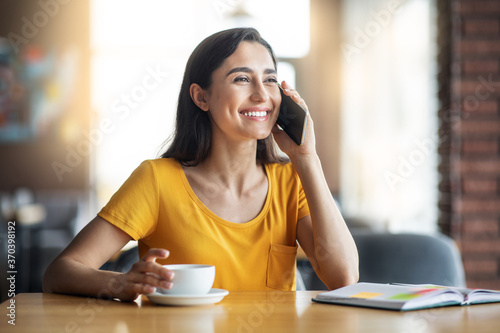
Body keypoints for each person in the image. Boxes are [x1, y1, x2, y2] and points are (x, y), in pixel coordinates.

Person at [43, 27, 358, 302]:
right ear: (201, 97)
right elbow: (60, 272)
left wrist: (307, 157)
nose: (262, 94)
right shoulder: (156, 181)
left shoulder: (292, 180)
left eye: (270, 79)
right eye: (242, 79)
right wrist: (121, 282)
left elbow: (343, 279)